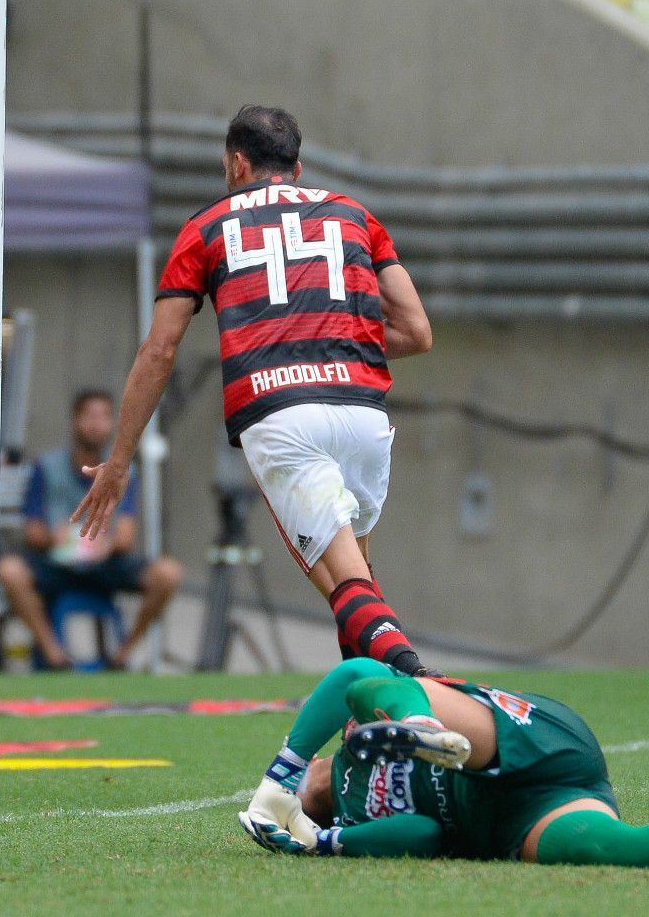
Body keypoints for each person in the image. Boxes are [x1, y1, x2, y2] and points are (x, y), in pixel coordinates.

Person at [74, 105, 436, 676]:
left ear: (237, 163)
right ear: (297, 166)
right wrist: (331, 342)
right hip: (364, 417)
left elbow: (159, 350)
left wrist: (119, 460)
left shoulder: (205, 227)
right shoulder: (355, 215)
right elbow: (416, 332)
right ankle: (372, 723)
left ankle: (419, 686)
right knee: (356, 582)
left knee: (345, 582)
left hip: (282, 414)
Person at [237, 658, 649, 872]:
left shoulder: (350, 740)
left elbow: (354, 675)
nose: (318, 794)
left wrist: (284, 773)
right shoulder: (343, 818)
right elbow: (423, 835)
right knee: (610, 849)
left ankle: (419, 722)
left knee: (384, 692)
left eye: (310, 788)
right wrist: (325, 844)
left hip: (512, 738)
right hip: (517, 816)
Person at [0, 389, 183, 670]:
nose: (96, 424)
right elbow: (32, 531)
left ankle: (122, 655)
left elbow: (125, 536)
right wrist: (53, 538)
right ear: (75, 421)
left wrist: (105, 546)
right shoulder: (46, 467)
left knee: (168, 573)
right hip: (55, 563)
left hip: (104, 565)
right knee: (9, 570)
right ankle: (54, 655)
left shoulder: (124, 472)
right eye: (89, 416)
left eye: (104, 417)